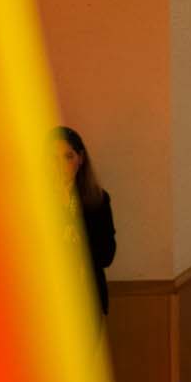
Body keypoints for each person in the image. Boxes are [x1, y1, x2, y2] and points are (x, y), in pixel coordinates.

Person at [54, 126, 117, 315]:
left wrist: (81, 237)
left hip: (87, 299)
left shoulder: (97, 200)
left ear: (80, 158)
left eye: (68, 157)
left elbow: (107, 255)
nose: (60, 165)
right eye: (53, 158)